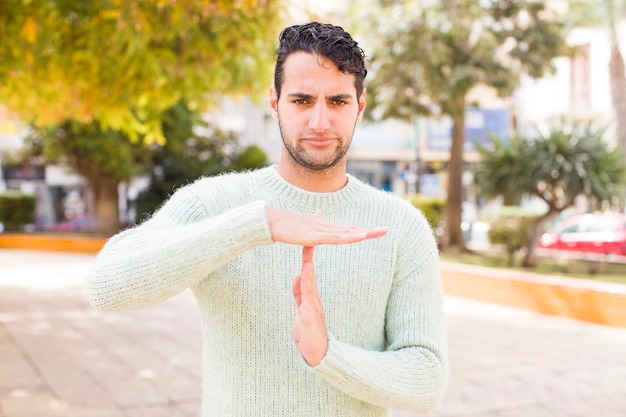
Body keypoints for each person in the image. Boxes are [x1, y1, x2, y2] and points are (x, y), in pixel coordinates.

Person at [86, 21, 448, 417]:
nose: (320, 122)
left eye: (338, 102)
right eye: (302, 100)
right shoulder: (217, 204)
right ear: (274, 102)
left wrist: (327, 354)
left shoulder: (400, 226)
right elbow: (107, 286)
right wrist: (253, 226)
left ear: (360, 105)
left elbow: (427, 381)